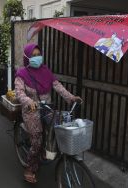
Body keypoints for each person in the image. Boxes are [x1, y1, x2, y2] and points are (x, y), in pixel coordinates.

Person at [15, 43, 82, 183]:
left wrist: (71, 97)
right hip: (31, 110)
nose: (37, 57)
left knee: (57, 130)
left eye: (38, 54)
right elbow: (19, 93)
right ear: (27, 57)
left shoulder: (46, 71)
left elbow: (58, 87)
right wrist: (29, 101)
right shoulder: (22, 74)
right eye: (33, 55)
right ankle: (30, 168)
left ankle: (48, 153)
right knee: (37, 141)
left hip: (47, 108)